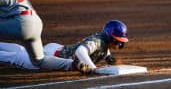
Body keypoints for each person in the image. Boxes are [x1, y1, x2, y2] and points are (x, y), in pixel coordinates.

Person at [0, 0, 92, 74]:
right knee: (39, 61)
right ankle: (73, 64)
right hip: (35, 22)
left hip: (21, 23)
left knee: (24, 58)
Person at [0, 20, 128, 71]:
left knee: (22, 50)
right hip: (50, 57)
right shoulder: (98, 41)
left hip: (56, 49)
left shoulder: (103, 45)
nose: (120, 43)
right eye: (117, 40)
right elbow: (80, 52)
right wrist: (93, 68)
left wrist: (112, 61)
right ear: (109, 37)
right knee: (16, 57)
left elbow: (105, 53)